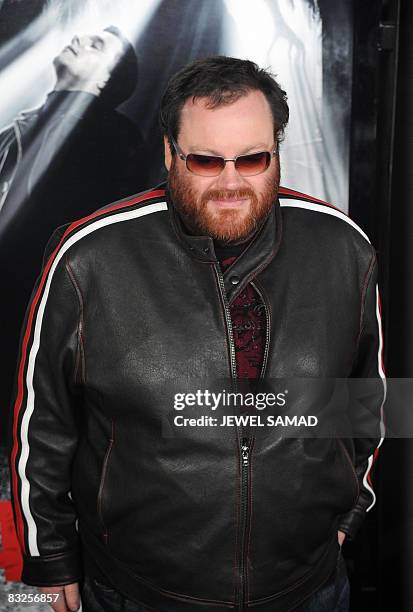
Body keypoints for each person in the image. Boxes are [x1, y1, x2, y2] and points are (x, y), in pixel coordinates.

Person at [9, 56, 385, 612]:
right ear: (169, 153)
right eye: (206, 162)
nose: (231, 183)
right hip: (137, 591)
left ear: (278, 151)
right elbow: (42, 426)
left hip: (310, 589)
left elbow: (367, 402)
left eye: (253, 159)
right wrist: (50, 559)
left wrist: (352, 512)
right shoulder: (88, 259)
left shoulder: (343, 247)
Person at [0, 25, 148, 446]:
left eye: (97, 45)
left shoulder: (117, 141)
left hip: (49, 322)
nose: (81, 39)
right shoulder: (15, 129)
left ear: (105, 78)